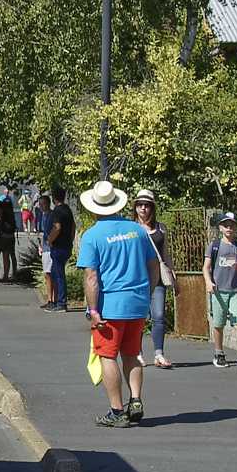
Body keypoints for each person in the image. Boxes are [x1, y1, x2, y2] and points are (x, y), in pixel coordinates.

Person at [75, 181, 167, 428]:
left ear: (94, 208)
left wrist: (93, 310)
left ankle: (116, 411)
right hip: (136, 304)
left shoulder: (92, 236)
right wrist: (146, 292)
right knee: (132, 354)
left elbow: (91, 276)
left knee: (107, 356)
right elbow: (154, 265)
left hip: (110, 307)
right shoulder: (137, 231)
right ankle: (135, 400)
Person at [206, 212, 237, 369]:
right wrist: (208, 282)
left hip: (235, 291)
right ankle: (219, 353)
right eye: (226, 225)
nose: (229, 228)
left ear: (236, 229)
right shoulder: (214, 246)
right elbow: (206, 267)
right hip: (219, 291)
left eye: (232, 226)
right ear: (220, 228)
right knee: (218, 324)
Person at [132, 189, 173, 368]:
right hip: (137, 279)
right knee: (139, 318)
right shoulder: (131, 228)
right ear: (135, 208)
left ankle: (159, 354)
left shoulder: (161, 228)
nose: (143, 208)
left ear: (152, 208)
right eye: (140, 205)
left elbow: (166, 255)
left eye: (147, 205)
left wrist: (173, 276)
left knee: (158, 316)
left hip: (157, 279)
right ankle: (137, 353)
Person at [42, 191, 77, 310]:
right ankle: (56, 301)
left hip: (58, 247)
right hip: (66, 245)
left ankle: (61, 302)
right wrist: (70, 240)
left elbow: (57, 227)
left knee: (58, 275)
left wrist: (50, 240)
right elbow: (73, 226)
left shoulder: (57, 211)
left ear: (54, 199)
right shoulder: (68, 209)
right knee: (56, 273)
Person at [0, 193, 19, 283]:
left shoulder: (1, 211)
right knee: (7, 256)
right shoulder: (11, 213)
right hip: (10, 237)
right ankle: (6, 276)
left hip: (1, 236)